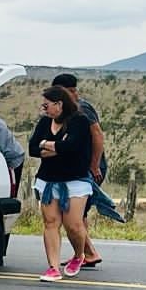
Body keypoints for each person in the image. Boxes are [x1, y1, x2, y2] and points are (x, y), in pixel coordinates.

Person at [28, 86, 93, 282]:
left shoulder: (79, 121)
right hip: (48, 180)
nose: (44, 109)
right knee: (50, 223)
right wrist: (53, 146)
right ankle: (53, 267)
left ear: (59, 104)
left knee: (73, 225)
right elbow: (32, 148)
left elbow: (72, 147)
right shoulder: (45, 122)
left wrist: (47, 144)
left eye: (47, 105)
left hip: (75, 180)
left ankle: (79, 254)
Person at [51, 73, 106, 265]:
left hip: (88, 165)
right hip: (77, 165)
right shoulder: (65, 110)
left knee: (74, 214)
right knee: (77, 213)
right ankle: (85, 253)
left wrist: (94, 164)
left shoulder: (81, 108)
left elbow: (97, 135)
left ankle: (88, 253)